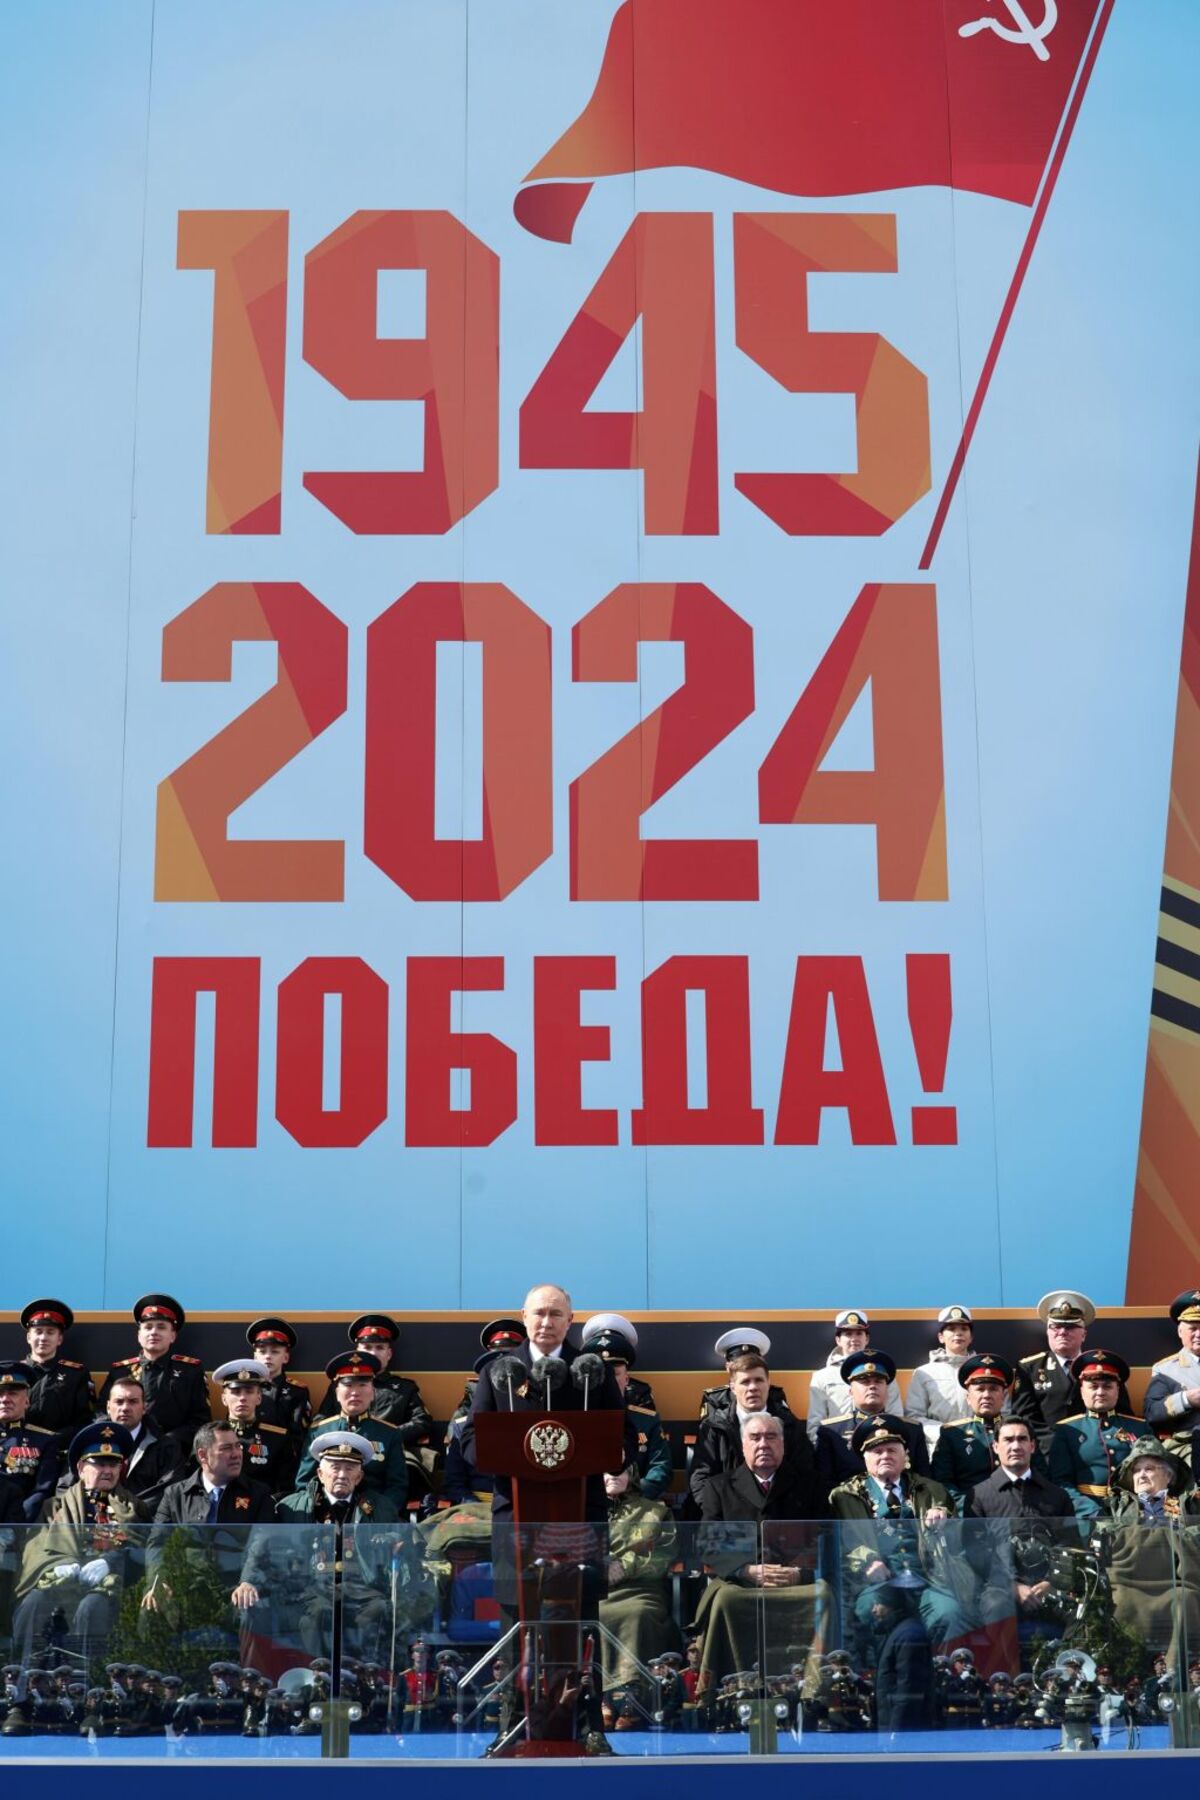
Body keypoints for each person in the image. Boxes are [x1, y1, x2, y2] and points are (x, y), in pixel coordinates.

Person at [829, 1420, 965, 1730]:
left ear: (906, 1455)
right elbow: (848, 1539)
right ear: (865, 1459)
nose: (884, 1455)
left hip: (928, 1580)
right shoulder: (846, 1495)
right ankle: (881, 1694)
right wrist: (868, 1562)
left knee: (950, 1612)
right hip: (879, 1583)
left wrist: (944, 1516)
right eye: (876, 1451)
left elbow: (956, 1534)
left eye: (892, 1449)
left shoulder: (931, 1490)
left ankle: (939, 1687)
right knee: (873, 1612)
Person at [463, 1284, 628, 1523]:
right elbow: (470, 1437)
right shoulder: (496, 1371)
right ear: (524, 1316)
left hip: (582, 1513)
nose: (546, 1322)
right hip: (515, 1513)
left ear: (569, 1320)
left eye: (556, 1314)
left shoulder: (594, 1371)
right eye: (539, 1313)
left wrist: (618, 1455)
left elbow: (625, 1431)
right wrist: (497, 1455)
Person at [693, 1415, 828, 1697]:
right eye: (755, 1438)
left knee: (824, 1594)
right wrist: (745, 1571)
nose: (763, 1444)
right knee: (726, 1599)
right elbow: (708, 1545)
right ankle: (730, 1690)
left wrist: (799, 1573)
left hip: (795, 1580)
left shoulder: (811, 1484)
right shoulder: (718, 1486)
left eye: (771, 1437)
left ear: (783, 1444)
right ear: (743, 1446)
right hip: (742, 1581)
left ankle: (815, 1691)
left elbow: (825, 1536)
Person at [12, 1421, 142, 1662]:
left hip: (108, 1588)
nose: (107, 1470)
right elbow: (34, 1546)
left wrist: (110, 1563)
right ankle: (21, 1673)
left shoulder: (133, 1508)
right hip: (61, 1581)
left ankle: (87, 1680)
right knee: (33, 1602)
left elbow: (141, 1546)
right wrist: (57, 1565)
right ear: (81, 1467)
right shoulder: (54, 1507)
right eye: (99, 1463)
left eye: (113, 1464)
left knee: (92, 1607)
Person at [274, 1430, 402, 1662]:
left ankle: (364, 1676)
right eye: (335, 1467)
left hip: (361, 1587)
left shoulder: (380, 1508)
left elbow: (399, 1537)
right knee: (321, 1613)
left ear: (360, 1476)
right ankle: (319, 1677)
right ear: (320, 1473)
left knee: (380, 1609)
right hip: (313, 1587)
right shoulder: (292, 1508)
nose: (342, 1474)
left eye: (350, 1468)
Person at [144, 1421, 275, 1619]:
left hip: (235, 1586)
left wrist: (249, 1581)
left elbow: (261, 1543)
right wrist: (158, 1580)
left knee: (251, 1610)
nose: (237, 1453)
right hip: (185, 1587)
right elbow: (157, 1543)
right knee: (150, 1610)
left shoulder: (258, 1494)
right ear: (202, 1455)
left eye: (238, 1446)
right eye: (226, 1448)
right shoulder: (175, 1495)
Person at [1102, 1436, 1200, 1657]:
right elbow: (1104, 1540)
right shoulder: (1116, 1505)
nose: (1142, 1475)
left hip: (1176, 1581)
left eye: (1149, 1469)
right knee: (1121, 1602)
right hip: (1128, 1581)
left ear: (1168, 1475)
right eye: (1136, 1470)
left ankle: (1177, 1676)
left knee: (1186, 1601)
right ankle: (1129, 1673)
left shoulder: (1190, 1504)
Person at [314, 1314, 435, 1492]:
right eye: (367, 1347)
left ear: (389, 1353)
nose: (373, 1352)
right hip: (342, 1455)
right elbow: (321, 1420)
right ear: (357, 1350)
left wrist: (387, 1437)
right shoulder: (338, 1386)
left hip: (385, 1456)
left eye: (379, 1347)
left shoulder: (404, 1388)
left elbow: (422, 1421)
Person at [690, 1352, 815, 1510]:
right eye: (745, 1382)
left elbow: (806, 1475)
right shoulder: (714, 1428)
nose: (753, 1387)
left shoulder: (790, 1426)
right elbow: (701, 1478)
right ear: (733, 1388)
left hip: (779, 1519)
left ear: (768, 1383)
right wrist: (719, 1513)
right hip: (730, 1520)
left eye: (759, 1380)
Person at [1011, 1291, 1132, 1453]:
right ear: (1047, 1331)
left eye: (1070, 1327)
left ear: (1084, 1334)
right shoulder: (1028, 1368)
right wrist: (1057, 1444)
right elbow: (1024, 1418)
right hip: (1047, 1454)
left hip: (1096, 1450)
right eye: (1056, 1326)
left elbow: (1123, 1414)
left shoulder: (1104, 1366)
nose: (1062, 1332)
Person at [295, 1352, 409, 1511]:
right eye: (348, 1385)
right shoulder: (319, 1431)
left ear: (373, 1392)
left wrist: (381, 1514)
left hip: (373, 1516)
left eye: (362, 1385)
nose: (355, 1392)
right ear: (336, 1393)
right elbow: (304, 1482)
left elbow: (397, 1485)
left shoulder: (389, 1433)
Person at [599, 1465, 678, 1694]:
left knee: (637, 1614)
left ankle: (631, 1695)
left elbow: (665, 1553)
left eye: (620, 1471)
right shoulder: (582, 1510)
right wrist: (598, 1571)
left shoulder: (656, 1512)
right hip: (596, 1589)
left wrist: (624, 1567)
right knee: (589, 1613)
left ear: (632, 1476)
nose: (613, 1475)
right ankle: (599, 1697)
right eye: (607, 1472)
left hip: (641, 1589)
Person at [97, 1294, 210, 1452]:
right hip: (124, 1449)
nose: (154, 1332)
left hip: (172, 1452)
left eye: (161, 1327)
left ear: (173, 1336)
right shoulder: (120, 1371)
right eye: (148, 1327)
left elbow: (201, 1420)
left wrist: (170, 1440)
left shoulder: (190, 1371)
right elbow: (102, 1412)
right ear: (139, 1335)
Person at [581, 1313, 673, 1501]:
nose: (608, 1381)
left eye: (614, 1373)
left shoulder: (647, 1420)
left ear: (627, 1378)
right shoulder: (578, 1419)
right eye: (601, 1373)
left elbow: (661, 1468)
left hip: (636, 1512)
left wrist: (632, 1490)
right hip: (588, 1509)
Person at [1048, 1349, 1143, 1520]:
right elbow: (1060, 1482)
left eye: (1107, 1386)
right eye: (1093, 1386)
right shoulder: (1066, 1430)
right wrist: (1089, 1511)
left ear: (1118, 1390)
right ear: (1082, 1391)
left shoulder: (1140, 1428)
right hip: (1087, 1516)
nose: (1100, 1392)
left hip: (1134, 1514)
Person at [441, 1318, 527, 1504]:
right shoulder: (464, 1425)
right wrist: (473, 1507)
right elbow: (454, 1483)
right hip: (479, 1507)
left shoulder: (535, 1418)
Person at [814, 1349, 929, 1485]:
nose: (872, 1386)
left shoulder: (912, 1429)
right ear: (850, 1391)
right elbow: (824, 1484)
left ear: (887, 1390)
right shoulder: (831, 1432)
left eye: (878, 1381)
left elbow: (925, 1481)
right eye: (865, 1382)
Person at [929, 1354, 1021, 1512]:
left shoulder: (1020, 1430)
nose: (986, 1395)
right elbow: (943, 1482)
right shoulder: (952, 1434)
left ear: (1004, 1396)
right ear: (968, 1397)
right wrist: (972, 1507)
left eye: (993, 1389)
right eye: (979, 1389)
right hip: (971, 1517)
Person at [807, 1310, 901, 1442]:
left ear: (866, 1339)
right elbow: (815, 1423)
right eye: (848, 1334)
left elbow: (895, 1416)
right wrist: (824, 1449)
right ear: (838, 1340)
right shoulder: (822, 1376)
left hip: (878, 1444)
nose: (854, 1339)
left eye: (859, 1333)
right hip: (838, 1448)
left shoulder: (884, 1374)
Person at [212, 1359, 297, 1497]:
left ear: (259, 1398)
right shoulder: (209, 1437)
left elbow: (285, 1488)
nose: (242, 1398)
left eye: (249, 1391)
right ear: (223, 1399)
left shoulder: (278, 1439)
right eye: (236, 1391)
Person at [965, 1417, 1073, 1520]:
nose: (1016, 1447)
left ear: (1032, 1446)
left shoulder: (1058, 1496)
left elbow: (1069, 1539)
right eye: (1008, 1440)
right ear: (995, 1447)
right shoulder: (978, 1497)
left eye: (1022, 1439)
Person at [19, 1298, 96, 1438]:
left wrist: (55, 1440)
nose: (43, 1337)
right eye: (38, 1331)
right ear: (29, 1337)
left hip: (59, 1452)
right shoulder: (15, 1373)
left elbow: (86, 1420)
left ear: (59, 1339)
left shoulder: (77, 1374)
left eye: (50, 1332)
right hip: (16, 1450)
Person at [103, 1376, 183, 1511]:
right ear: (108, 1407)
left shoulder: (167, 1447)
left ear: (144, 1407)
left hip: (144, 1524)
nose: (125, 1408)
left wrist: (126, 1512)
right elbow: (66, 1486)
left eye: (133, 1402)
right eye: (119, 1401)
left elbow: (169, 1491)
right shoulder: (88, 1442)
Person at [904, 1305, 975, 1452]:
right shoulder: (924, 1373)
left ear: (971, 1337)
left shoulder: (984, 1370)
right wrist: (945, 1432)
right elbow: (914, 1416)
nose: (958, 1334)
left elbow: (1002, 1412)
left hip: (979, 1444)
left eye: (964, 1329)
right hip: (938, 1446)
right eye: (951, 1329)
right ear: (941, 1337)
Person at [0, 1360, 63, 1518]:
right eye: (0, 1393)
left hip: (18, 1525)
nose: (5, 1399)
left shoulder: (46, 1440)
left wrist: (16, 1526)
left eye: (13, 1393)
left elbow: (42, 1491)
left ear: (27, 1401)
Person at [1144, 1289, 1200, 1458]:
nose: (1199, 1334)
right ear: (1180, 1332)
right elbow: (1152, 1412)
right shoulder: (1166, 1369)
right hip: (1189, 1448)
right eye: (1193, 1328)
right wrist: (1186, 1400)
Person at [700, 1327, 793, 1426]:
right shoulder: (715, 1399)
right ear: (727, 1367)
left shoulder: (775, 1394)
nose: (746, 1366)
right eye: (738, 1364)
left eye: (752, 1362)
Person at [245, 1317, 312, 1447]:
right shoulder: (243, 1387)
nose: (268, 1356)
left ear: (286, 1357)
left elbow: (298, 1435)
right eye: (262, 1351)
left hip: (282, 1457)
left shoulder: (297, 1391)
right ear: (255, 1356)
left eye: (275, 1352)